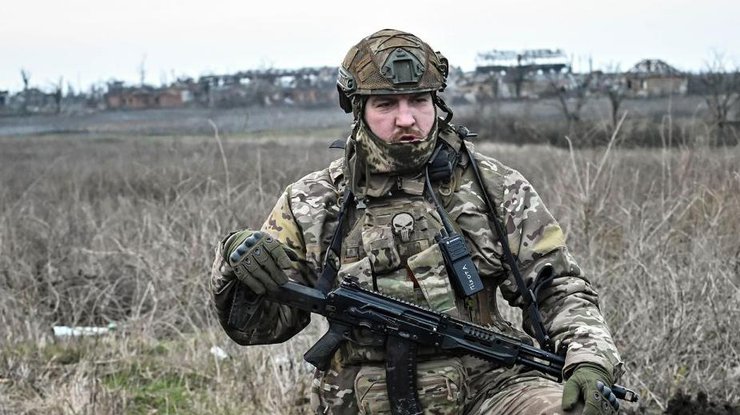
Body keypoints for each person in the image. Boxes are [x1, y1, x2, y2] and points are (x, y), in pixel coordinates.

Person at [211, 29, 625, 415]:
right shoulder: (313, 201)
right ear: (358, 110)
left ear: (436, 104)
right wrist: (236, 266)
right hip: (357, 399)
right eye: (386, 104)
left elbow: (558, 287)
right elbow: (259, 327)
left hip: (492, 387)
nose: (406, 118)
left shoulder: (495, 187)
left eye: (419, 101)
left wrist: (589, 360)